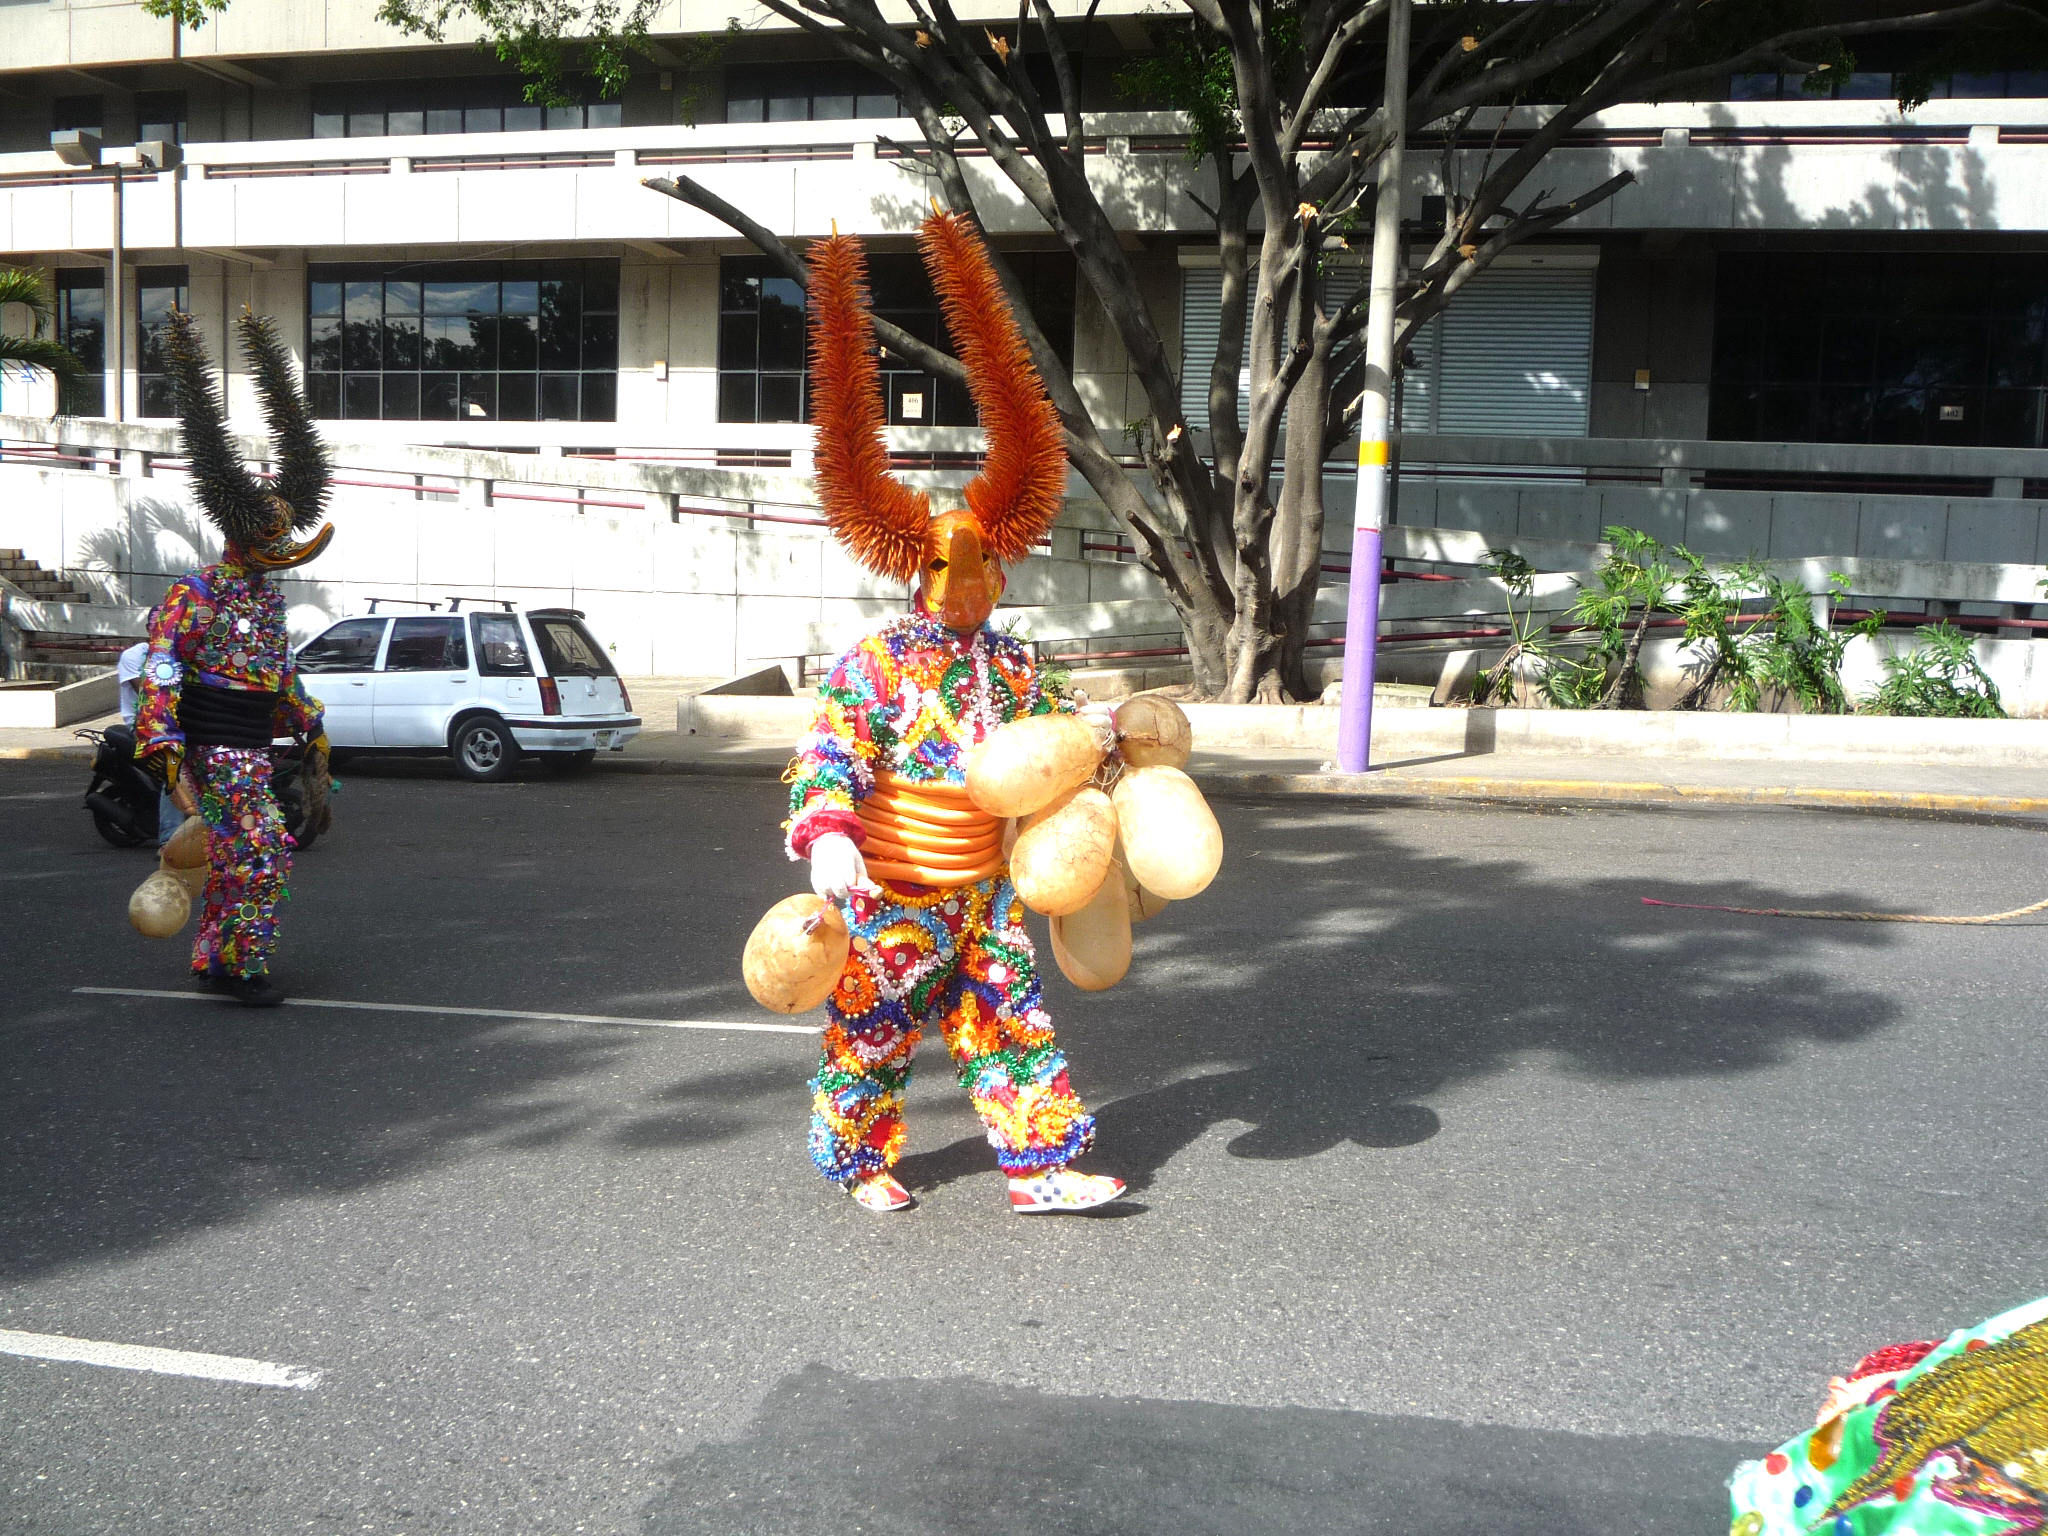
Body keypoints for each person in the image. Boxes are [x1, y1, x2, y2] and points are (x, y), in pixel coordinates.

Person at [782, 210, 1126, 1215]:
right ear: (915, 571)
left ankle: (1039, 1169)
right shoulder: (879, 662)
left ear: (1002, 567)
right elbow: (829, 748)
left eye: (982, 570)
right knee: (871, 1032)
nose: (967, 587)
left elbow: (1060, 748)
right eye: (948, 571)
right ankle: (855, 1162)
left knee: (1012, 1023)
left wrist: (1107, 746)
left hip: (984, 890)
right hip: (891, 890)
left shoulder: (1019, 666)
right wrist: (828, 833)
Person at [132, 308, 333, 1007]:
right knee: (263, 854)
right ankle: (239, 966)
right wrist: (166, 754)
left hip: (253, 748)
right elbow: (160, 676)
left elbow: (277, 676)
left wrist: (310, 725)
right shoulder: (196, 596)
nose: (281, 551)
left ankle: (217, 957)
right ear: (240, 534)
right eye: (268, 538)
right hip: (216, 753)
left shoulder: (264, 602)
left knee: (238, 858)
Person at [116, 640, 180, 846]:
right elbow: (147, 694)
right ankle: (170, 841)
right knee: (175, 767)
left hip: (177, 722)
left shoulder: (180, 653)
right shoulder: (133, 656)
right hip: (145, 725)